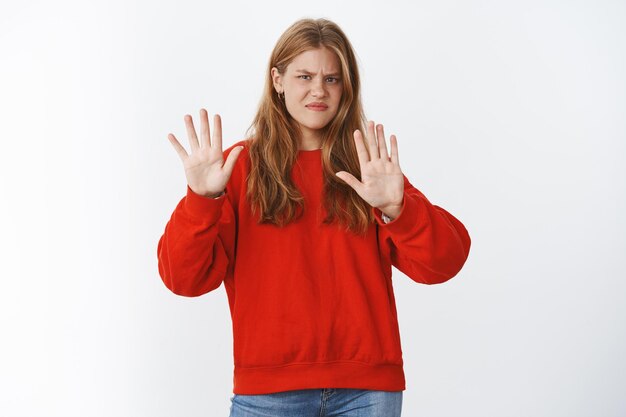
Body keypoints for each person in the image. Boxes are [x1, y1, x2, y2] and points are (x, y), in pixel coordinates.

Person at [157, 17, 471, 417]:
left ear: (347, 86)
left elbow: (444, 263)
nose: (318, 90)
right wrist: (202, 199)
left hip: (366, 391)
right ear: (278, 79)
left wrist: (399, 209)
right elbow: (184, 279)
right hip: (268, 393)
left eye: (332, 79)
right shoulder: (238, 168)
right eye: (304, 76)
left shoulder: (368, 168)